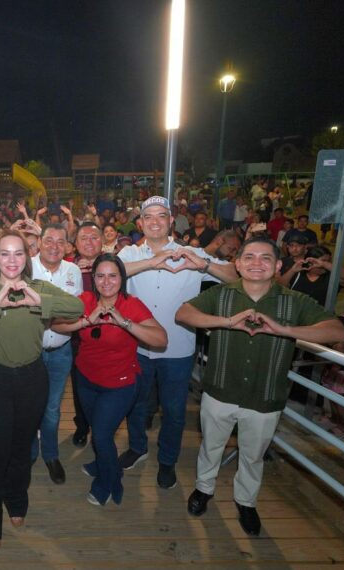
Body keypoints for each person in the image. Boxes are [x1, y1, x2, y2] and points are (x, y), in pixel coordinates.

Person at [176, 237, 344, 537]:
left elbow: (337, 331)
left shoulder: (294, 301)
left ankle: (246, 502)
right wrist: (228, 322)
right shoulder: (221, 293)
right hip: (220, 390)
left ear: (278, 265)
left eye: (265, 258)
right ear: (238, 264)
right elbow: (184, 314)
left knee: (253, 455)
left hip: (265, 395)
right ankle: (204, 488)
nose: (257, 263)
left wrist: (285, 330)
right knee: (210, 446)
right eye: (249, 257)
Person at [0, 230, 83, 549]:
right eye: (4, 253)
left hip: (32, 377)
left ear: (26, 257)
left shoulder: (38, 287)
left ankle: (15, 497)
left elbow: (76, 307)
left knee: (22, 447)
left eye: (18, 253)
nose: (11, 260)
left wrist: (39, 300)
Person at [117, 196, 238, 488]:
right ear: (140, 223)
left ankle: (168, 460)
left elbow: (235, 276)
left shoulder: (191, 253)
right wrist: (152, 262)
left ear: (171, 221)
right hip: (138, 345)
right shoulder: (130, 253)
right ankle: (137, 447)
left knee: (173, 410)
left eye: (161, 215)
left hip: (178, 347)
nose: (155, 221)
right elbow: (109, 273)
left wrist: (203, 265)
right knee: (135, 403)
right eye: (148, 216)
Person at [52, 254, 166, 506]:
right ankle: (103, 463)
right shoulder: (85, 300)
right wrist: (86, 320)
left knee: (102, 436)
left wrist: (125, 323)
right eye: (100, 276)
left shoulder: (131, 305)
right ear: (93, 278)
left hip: (120, 383)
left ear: (122, 278)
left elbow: (161, 339)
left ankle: (108, 481)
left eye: (113, 276)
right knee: (98, 429)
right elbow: (56, 324)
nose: (106, 282)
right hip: (86, 378)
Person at [26, 223, 83, 484]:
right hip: (30, 351)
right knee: (28, 404)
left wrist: (48, 311)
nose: (54, 246)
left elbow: (75, 310)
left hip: (61, 352)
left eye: (61, 241)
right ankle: (28, 452)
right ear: (39, 241)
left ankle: (50, 454)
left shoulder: (73, 271)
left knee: (52, 408)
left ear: (68, 246)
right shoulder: (25, 268)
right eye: (49, 240)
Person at [69, 222, 104, 446]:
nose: (89, 242)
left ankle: (102, 427)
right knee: (80, 383)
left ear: (102, 242)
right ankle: (82, 424)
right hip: (77, 334)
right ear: (75, 243)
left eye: (94, 237)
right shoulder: (67, 267)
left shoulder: (115, 265)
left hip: (109, 333)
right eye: (84, 238)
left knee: (107, 383)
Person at [277, 245, 344, 307]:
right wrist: (292, 271)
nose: (327, 264)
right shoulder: (298, 274)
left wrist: (324, 264)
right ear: (311, 262)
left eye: (329, 261)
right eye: (324, 261)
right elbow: (279, 287)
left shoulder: (331, 277)